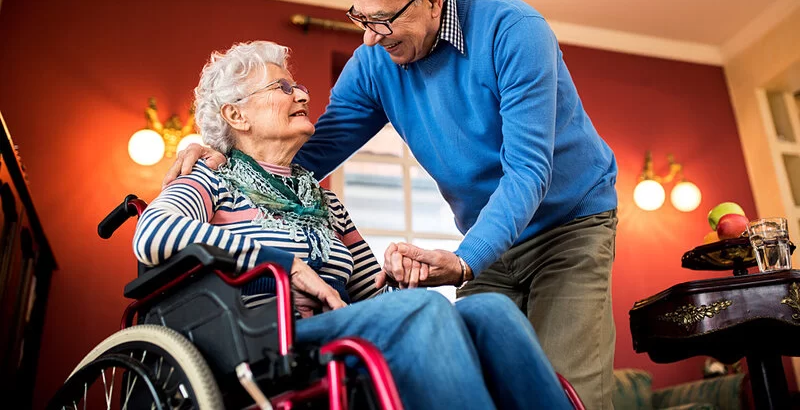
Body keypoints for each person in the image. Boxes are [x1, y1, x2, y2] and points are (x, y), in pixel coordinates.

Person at [168, 0, 618, 408]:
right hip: (487, 235)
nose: (367, 37)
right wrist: (219, 152)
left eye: (381, 19)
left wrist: (464, 260)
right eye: (359, 17)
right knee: (483, 335)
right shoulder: (374, 61)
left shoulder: (513, 31)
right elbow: (307, 153)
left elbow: (529, 170)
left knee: (574, 385)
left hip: (567, 224)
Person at [138, 40, 571, 409]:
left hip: (331, 331)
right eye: (282, 87)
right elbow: (152, 234)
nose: (302, 95)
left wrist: (401, 275)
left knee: (491, 310)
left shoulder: (322, 199)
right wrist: (280, 262)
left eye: (299, 86)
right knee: (423, 312)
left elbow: (372, 296)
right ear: (236, 116)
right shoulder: (210, 179)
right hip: (263, 343)